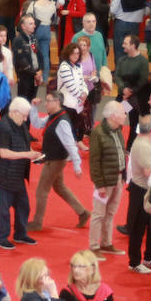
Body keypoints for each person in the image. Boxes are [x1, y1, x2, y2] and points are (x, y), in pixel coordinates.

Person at [27, 92, 87, 232]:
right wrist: (34, 107)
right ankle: (83, 213)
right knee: (59, 187)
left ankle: (37, 222)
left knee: (41, 190)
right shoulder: (54, 116)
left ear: (57, 102)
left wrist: (77, 166)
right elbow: (36, 123)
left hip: (55, 160)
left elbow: (71, 145)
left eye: (48, 101)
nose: (45, 103)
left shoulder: (62, 122)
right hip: (55, 158)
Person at [0, 96, 38, 251]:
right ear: (14, 112)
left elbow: (25, 142)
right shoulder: (3, 127)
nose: (25, 118)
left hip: (17, 173)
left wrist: (33, 155)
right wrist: (26, 155)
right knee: (4, 209)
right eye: (23, 115)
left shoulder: (20, 124)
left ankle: (20, 233)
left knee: (23, 206)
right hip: (4, 175)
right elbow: (3, 153)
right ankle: (1, 238)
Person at [87, 101, 128, 254]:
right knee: (98, 214)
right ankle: (94, 246)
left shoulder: (117, 129)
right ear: (113, 116)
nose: (125, 115)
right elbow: (94, 161)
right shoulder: (98, 133)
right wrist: (99, 185)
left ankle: (106, 243)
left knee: (110, 213)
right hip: (105, 181)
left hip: (118, 178)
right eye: (122, 113)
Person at [125, 115, 151, 273]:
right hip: (141, 191)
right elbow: (148, 172)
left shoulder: (146, 143)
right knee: (138, 228)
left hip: (149, 190)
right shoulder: (143, 146)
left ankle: (150, 256)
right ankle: (134, 262)